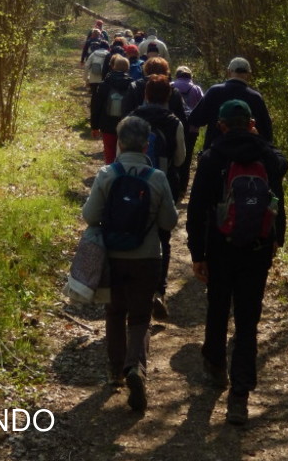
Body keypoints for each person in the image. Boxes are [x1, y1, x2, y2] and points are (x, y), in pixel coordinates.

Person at [186, 98, 288, 426]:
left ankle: (215, 365)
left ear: (221, 126)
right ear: (251, 124)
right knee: (247, 319)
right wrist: (277, 238)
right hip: (257, 248)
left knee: (218, 306)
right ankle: (240, 395)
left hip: (220, 247)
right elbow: (277, 201)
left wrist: (197, 254)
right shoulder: (268, 156)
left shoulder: (212, 158)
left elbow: (197, 209)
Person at [82, 115, 179, 412]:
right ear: (146, 145)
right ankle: (135, 366)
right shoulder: (157, 178)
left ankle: (115, 370)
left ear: (120, 144)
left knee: (114, 311)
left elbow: (89, 215)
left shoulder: (107, 174)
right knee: (139, 316)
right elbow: (169, 222)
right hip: (147, 257)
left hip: (112, 257)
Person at [128, 74, 186, 319]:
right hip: (164, 183)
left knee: (133, 231)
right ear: (168, 97)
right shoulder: (174, 122)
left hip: (133, 184)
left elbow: (121, 154)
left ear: (146, 94)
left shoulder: (133, 118)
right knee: (163, 238)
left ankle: (133, 289)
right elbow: (180, 159)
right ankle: (158, 291)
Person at [189, 57, 274, 148]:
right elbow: (267, 133)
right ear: (249, 74)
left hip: (216, 150)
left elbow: (195, 119)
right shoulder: (256, 97)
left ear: (228, 72)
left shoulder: (214, 91)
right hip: (246, 152)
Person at [91, 55, 133, 163]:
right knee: (124, 154)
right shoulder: (132, 85)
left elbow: (96, 106)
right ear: (127, 68)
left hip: (107, 124)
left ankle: (110, 171)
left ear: (113, 67)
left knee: (109, 152)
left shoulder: (104, 84)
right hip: (126, 126)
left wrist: (94, 126)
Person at [172, 66, 205, 200]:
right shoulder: (196, 89)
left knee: (173, 155)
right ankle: (183, 188)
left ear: (177, 75)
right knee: (187, 156)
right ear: (190, 76)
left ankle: (173, 184)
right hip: (192, 129)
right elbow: (203, 106)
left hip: (173, 127)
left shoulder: (171, 86)